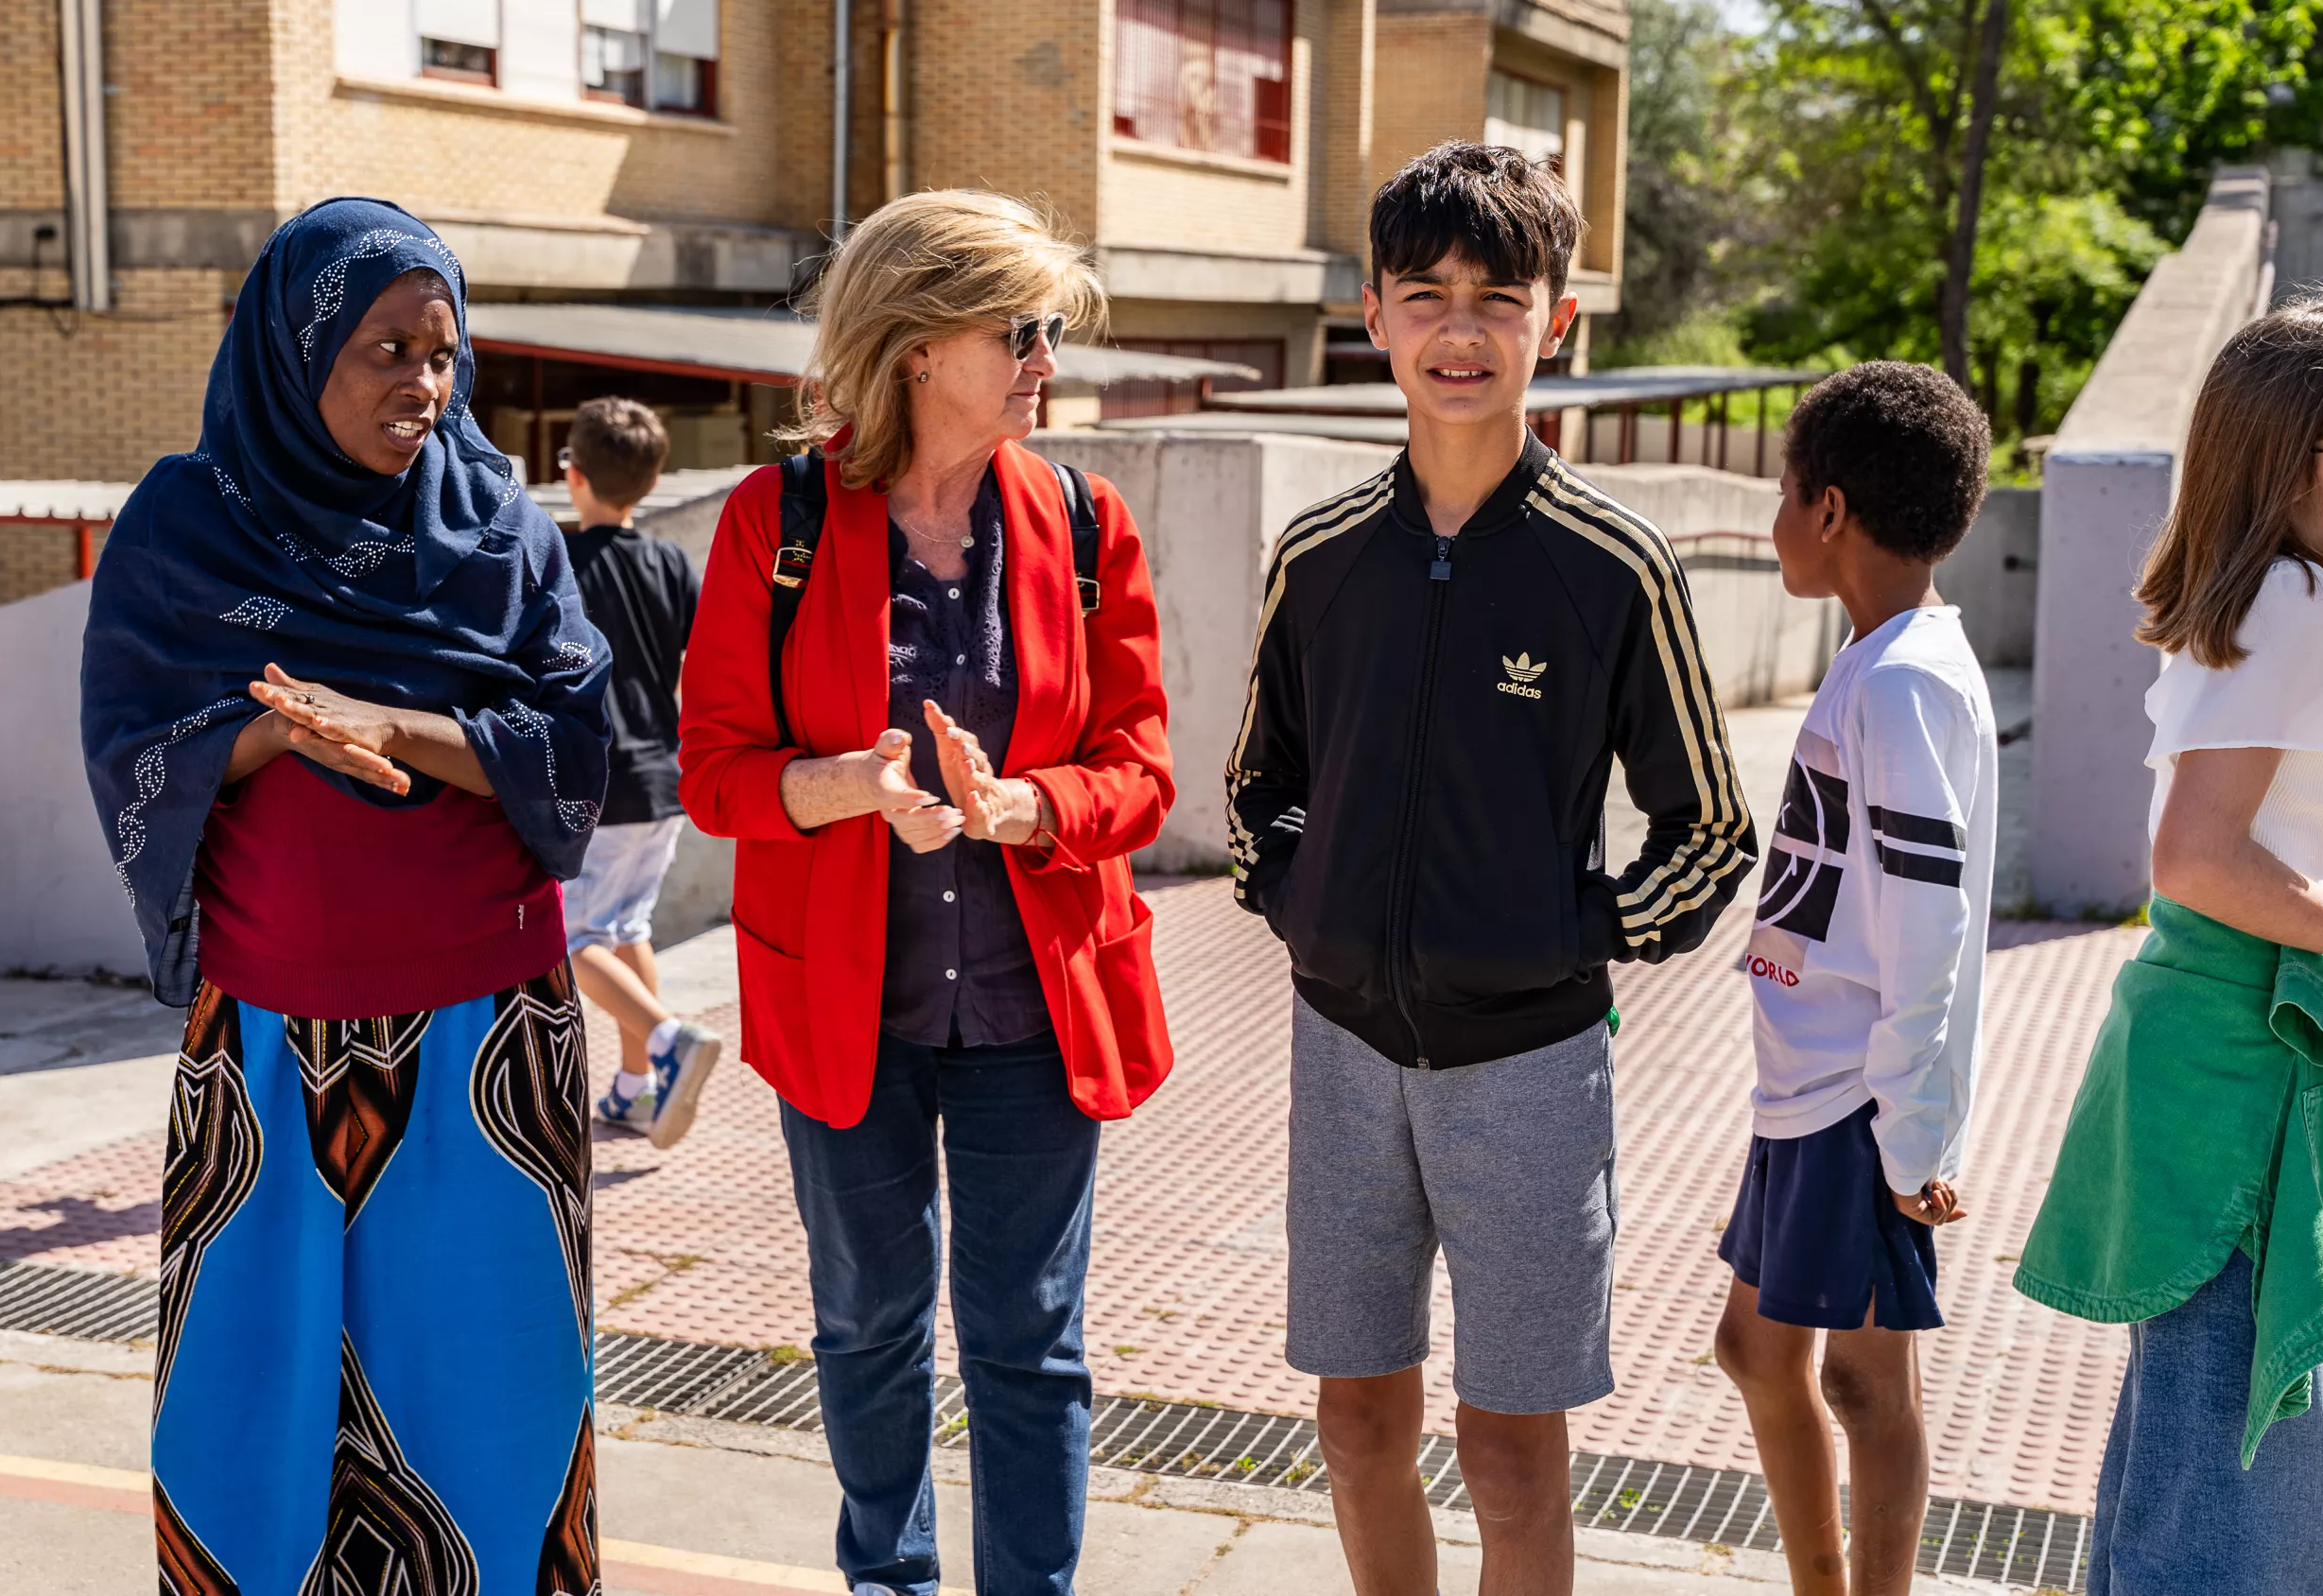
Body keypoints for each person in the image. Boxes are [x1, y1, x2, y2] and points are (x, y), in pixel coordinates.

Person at [1227, 141, 1756, 1596]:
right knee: (1353, 1425)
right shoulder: (1321, 555)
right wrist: (1308, 909)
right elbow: (1257, 785)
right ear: (1374, 313)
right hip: (1340, 1051)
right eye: (1427, 296)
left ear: (1559, 316)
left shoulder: (1612, 564)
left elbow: (1710, 832)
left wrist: (1563, 931)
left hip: (1529, 1061)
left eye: (1498, 299)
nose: (1462, 332)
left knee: (1512, 1451)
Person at [78, 198, 613, 1592]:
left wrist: (393, 724)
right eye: (386, 348)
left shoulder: (498, 526)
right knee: (249, 1408)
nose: (423, 386)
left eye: (442, 353)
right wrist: (265, 731)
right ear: (296, 347)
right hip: (265, 1052)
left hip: (487, 1054)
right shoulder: (184, 528)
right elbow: (131, 737)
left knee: (487, 1404)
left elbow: (575, 746)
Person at [677, 189, 1175, 1596]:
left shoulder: (1084, 520)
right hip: (848, 1016)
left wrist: (1026, 809)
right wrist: (848, 788)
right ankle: (884, 1580)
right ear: (915, 345)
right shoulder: (772, 523)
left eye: (1051, 331)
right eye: (1021, 331)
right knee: (867, 1328)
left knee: (1032, 1344)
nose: (1046, 360)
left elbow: (1140, 770)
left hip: (1036, 1012)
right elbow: (713, 774)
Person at [2016, 298, 2323, 1594]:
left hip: (2231, 1055)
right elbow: (2194, 858)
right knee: (2230, 1446)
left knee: (2200, 1428)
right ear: (2293, 464)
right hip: (2225, 1060)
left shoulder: (2319, 599)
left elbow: (2321, 828)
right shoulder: (2296, 601)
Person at [1709, 361, 1997, 1596]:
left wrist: (1915, 1129)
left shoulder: (1907, 680)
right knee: (1756, 1352)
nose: (1775, 514)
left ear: (1827, 511)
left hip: (1861, 1102)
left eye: (1781, 488)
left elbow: (1931, 923)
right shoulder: (1881, 659)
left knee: (1862, 1381)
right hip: (1809, 1090)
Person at [559, 396, 723, 1147]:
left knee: (575, 939)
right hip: (665, 778)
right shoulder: (668, 561)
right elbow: (700, 664)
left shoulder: (556, 565)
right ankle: (635, 1090)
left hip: (599, 783)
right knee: (627, 927)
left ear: (576, 477)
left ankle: (669, 1040)